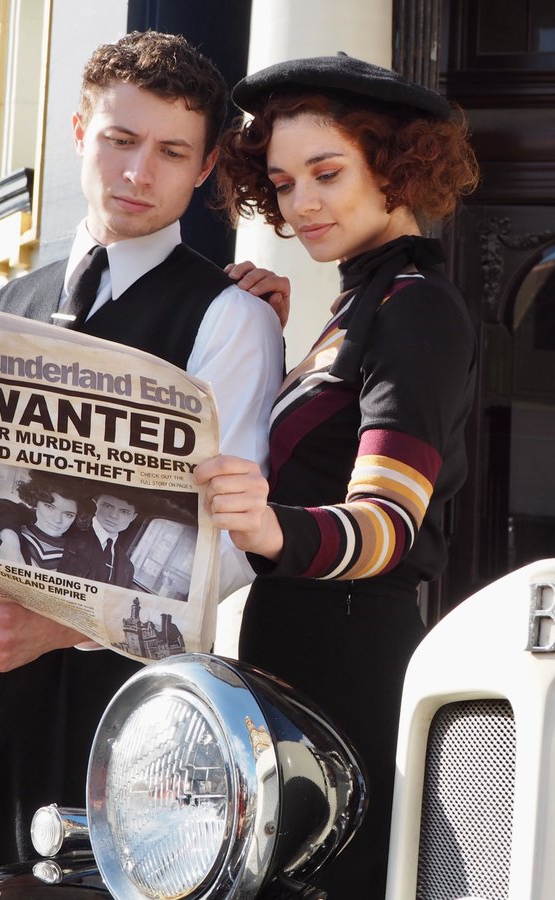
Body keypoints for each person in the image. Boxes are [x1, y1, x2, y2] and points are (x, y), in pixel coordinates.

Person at [0, 31, 286, 899]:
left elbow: (229, 548)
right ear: (79, 127)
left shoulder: (233, 321)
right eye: (121, 140)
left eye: (170, 153)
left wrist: (63, 631)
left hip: (106, 691)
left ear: (203, 171)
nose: (138, 172)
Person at [197, 53, 480, 896]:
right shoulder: (361, 307)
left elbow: (389, 525)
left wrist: (269, 524)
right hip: (296, 648)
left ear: (397, 166)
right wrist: (272, 346)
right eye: (283, 183)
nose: (303, 203)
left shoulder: (417, 307)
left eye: (328, 172)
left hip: (351, 661)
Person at [0, 469, 83, 570]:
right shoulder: (9, 530)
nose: (57, 520)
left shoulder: (80, 558)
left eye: (68, 515)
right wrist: (10, 540)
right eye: (49, 507)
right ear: (36, 501)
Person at [58, 488, 140, 587]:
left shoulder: (128, 567)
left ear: (133, 517)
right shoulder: (66, 536)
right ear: (94, 505)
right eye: (107, 506)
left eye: (124, 512)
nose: (113, 515)